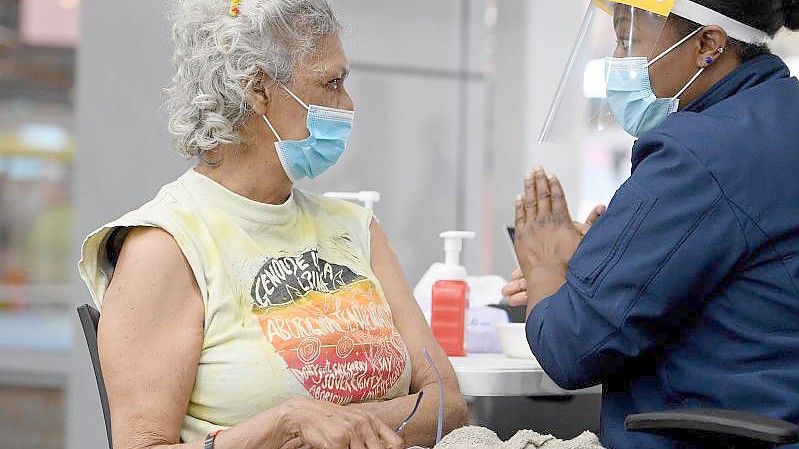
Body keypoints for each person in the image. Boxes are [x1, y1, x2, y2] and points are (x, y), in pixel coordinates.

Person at [78, 1, 467, 448]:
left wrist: (338, 425)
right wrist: (286, 423)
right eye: (332, 83)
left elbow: (448, 403)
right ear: (259, 88)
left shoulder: (356, 228)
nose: (348, 103)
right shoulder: (166, 247)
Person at [503, 0, 799, 448]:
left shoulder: (700, 152)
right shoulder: (780, 117)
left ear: (708, 44)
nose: (618, 62)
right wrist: (597, 267)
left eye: (627, 40)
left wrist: (546, 264)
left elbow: (570, 348)